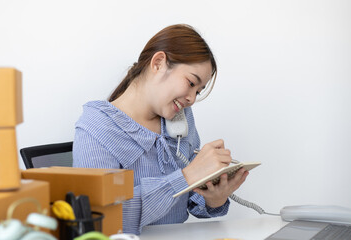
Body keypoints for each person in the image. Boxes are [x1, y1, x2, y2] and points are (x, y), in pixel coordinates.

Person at [73, 24, 249, 235]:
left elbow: (191, 199)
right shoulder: (97, 127)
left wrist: (213, 198)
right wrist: (186, 176)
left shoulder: (179, 120)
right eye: (191, 83)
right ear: (158, 63)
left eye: (198, 92)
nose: (192, 99)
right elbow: (103, 219)